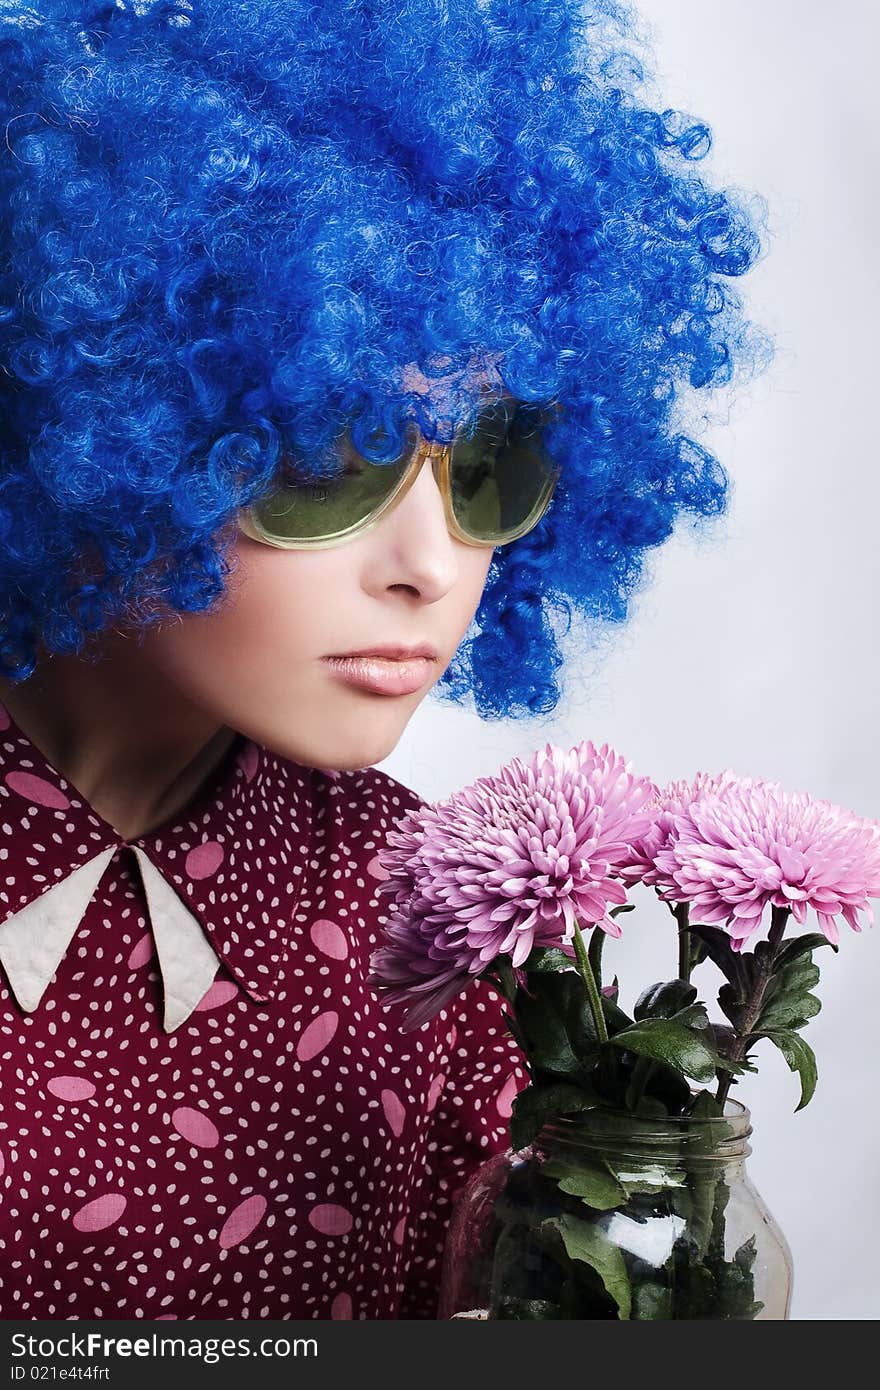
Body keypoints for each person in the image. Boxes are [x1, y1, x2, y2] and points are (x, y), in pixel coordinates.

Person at [0, 0, 762, 1319]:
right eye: (321, 459)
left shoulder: (443, 928)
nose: (431, 562)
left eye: (484, 467)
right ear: (88, 437)